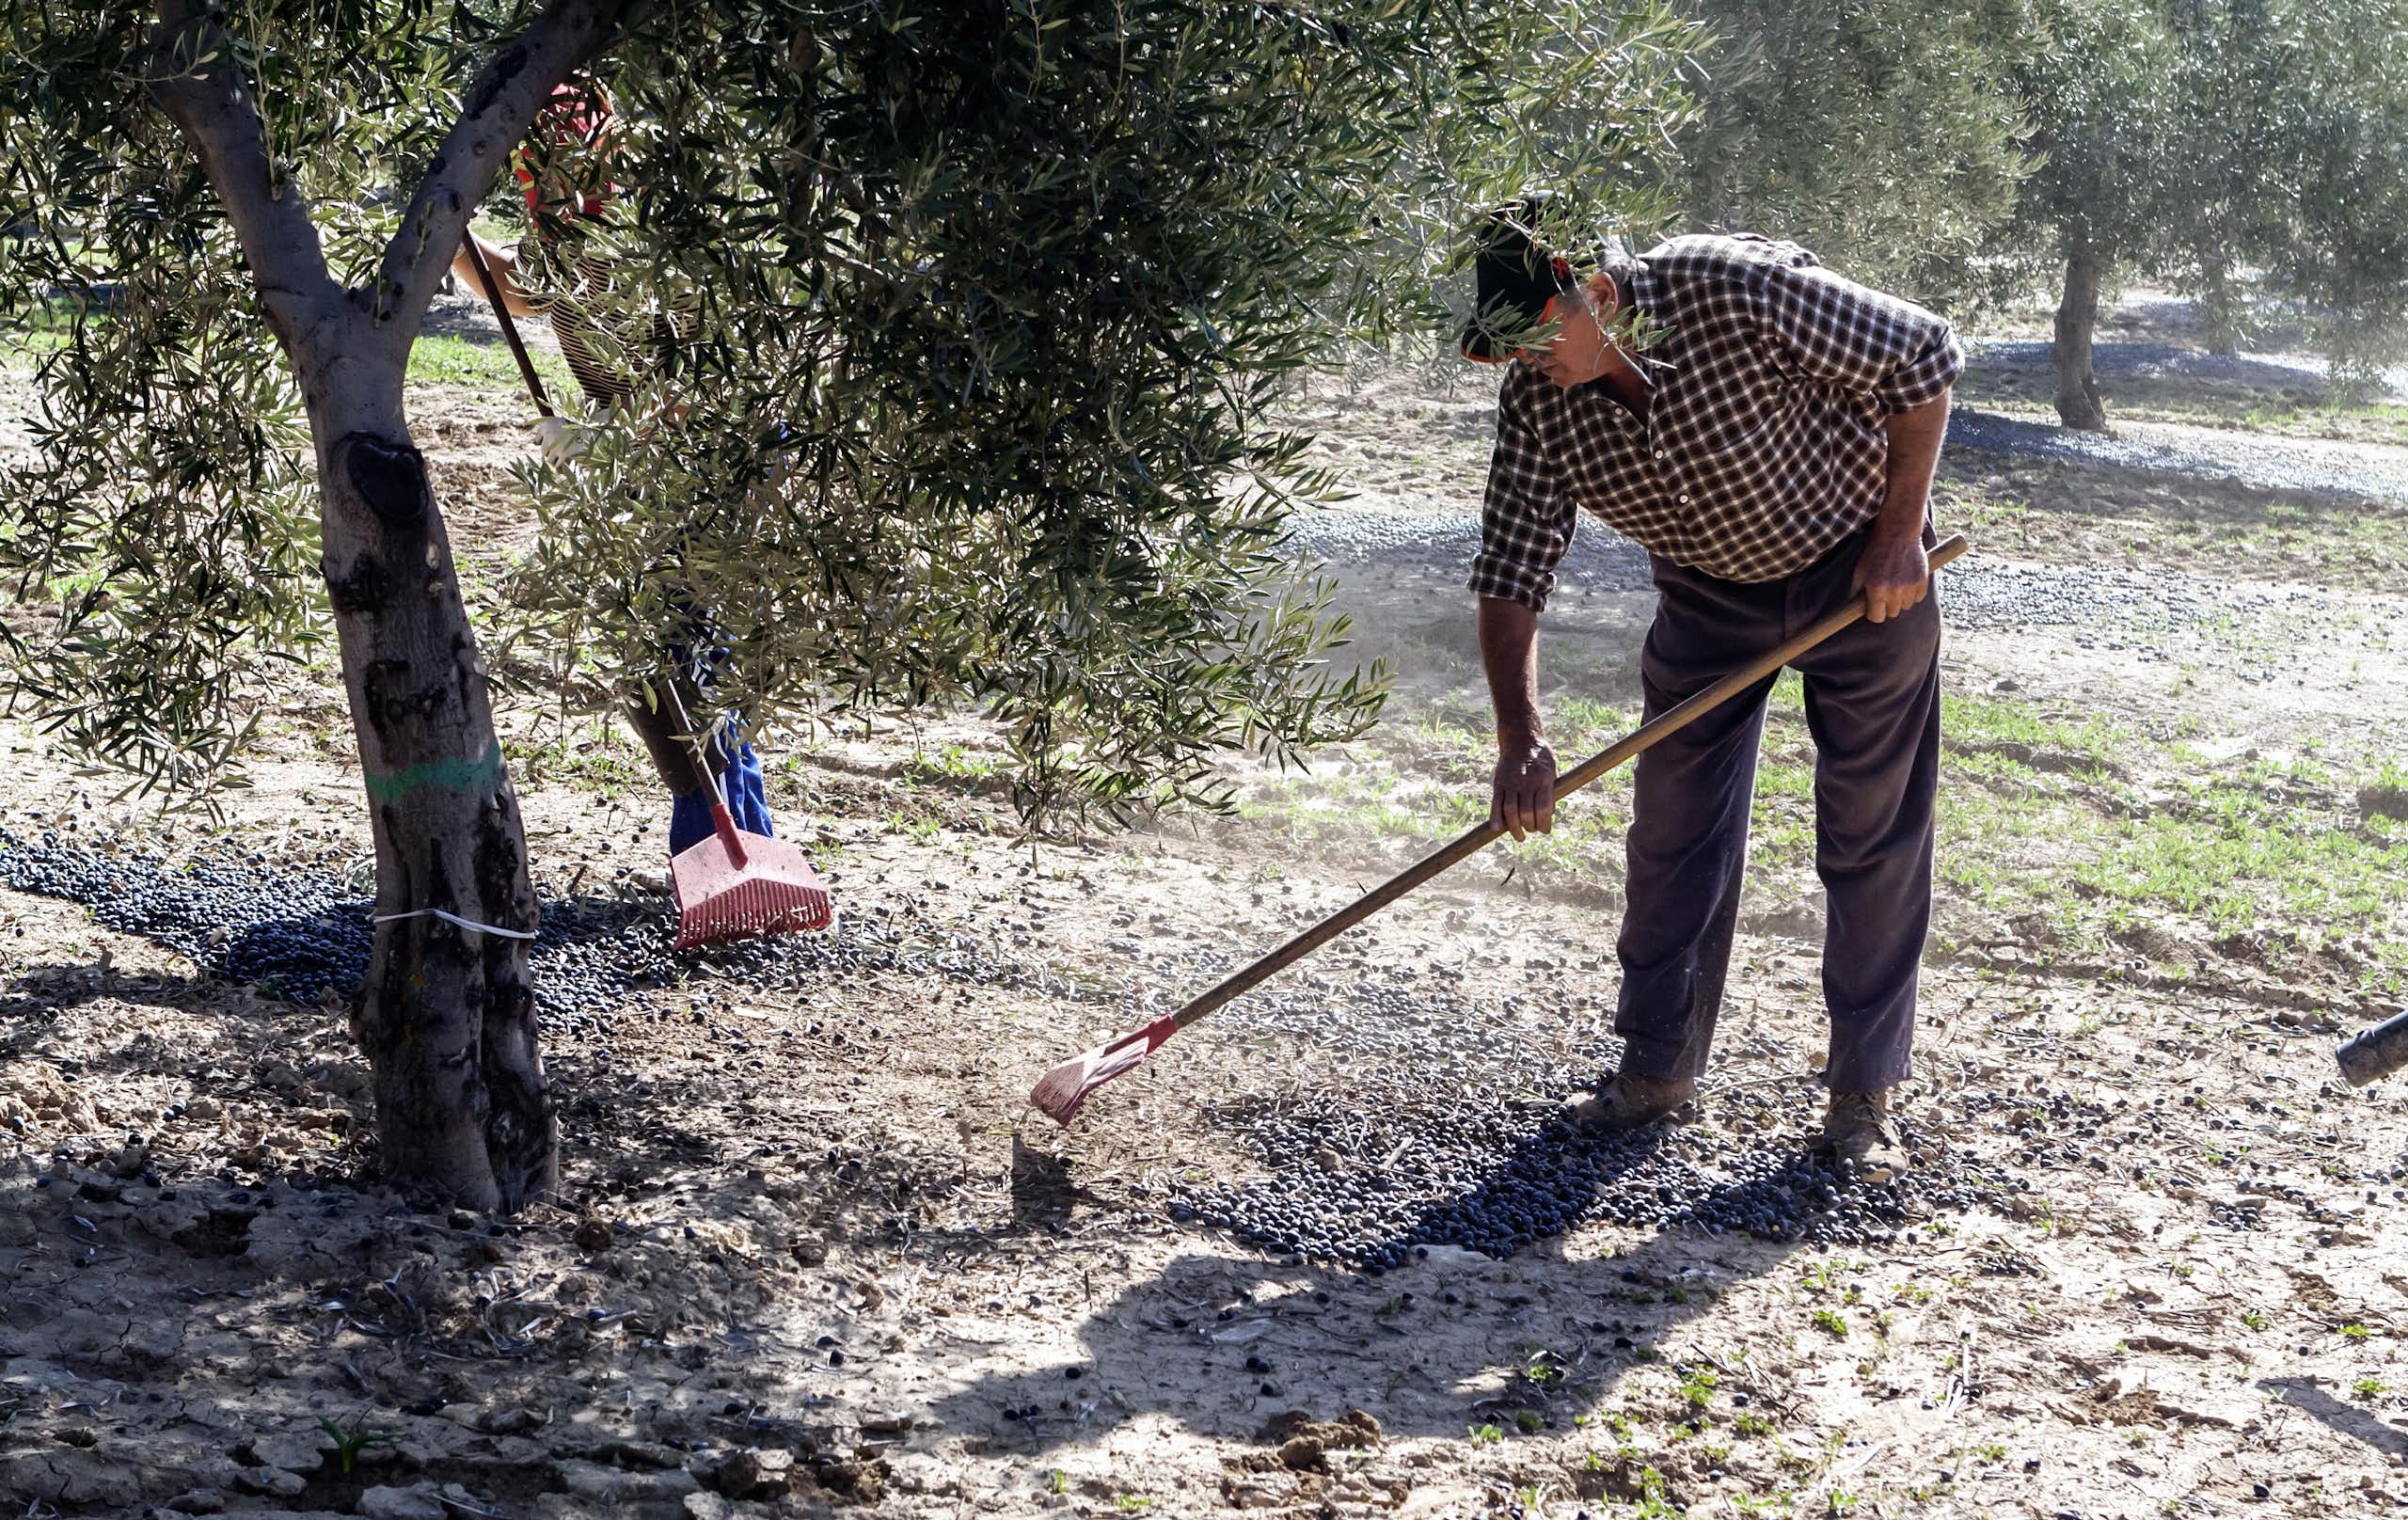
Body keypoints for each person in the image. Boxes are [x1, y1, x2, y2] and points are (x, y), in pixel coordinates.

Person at [1458, 198, 1962, 1169]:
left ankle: (1862, 1098)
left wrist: (1900, 535)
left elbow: (1925, 356)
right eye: (1506, 348)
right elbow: (1511, 567)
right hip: (1705, 596)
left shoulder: (1734, 287)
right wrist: (1518, 735)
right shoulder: (1538, 403)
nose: (1525, 362)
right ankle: (1655, 1072)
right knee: (1672, 832)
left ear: (1594, 295)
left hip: (1859, 578)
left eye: (1532, 338)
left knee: (1871, 832)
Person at [449, 80, 774, 861]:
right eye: (538, 172)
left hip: (709, 463)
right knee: (655, 652)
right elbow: (519, 292)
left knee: (686, 651)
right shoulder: (563, 237)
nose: (550, 186)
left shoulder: (661, 240)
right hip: (636, 463)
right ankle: (733, 842)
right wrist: (450, 230)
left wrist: (606, 441)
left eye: (562, 168)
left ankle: (722, 846)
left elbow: (704, 383)